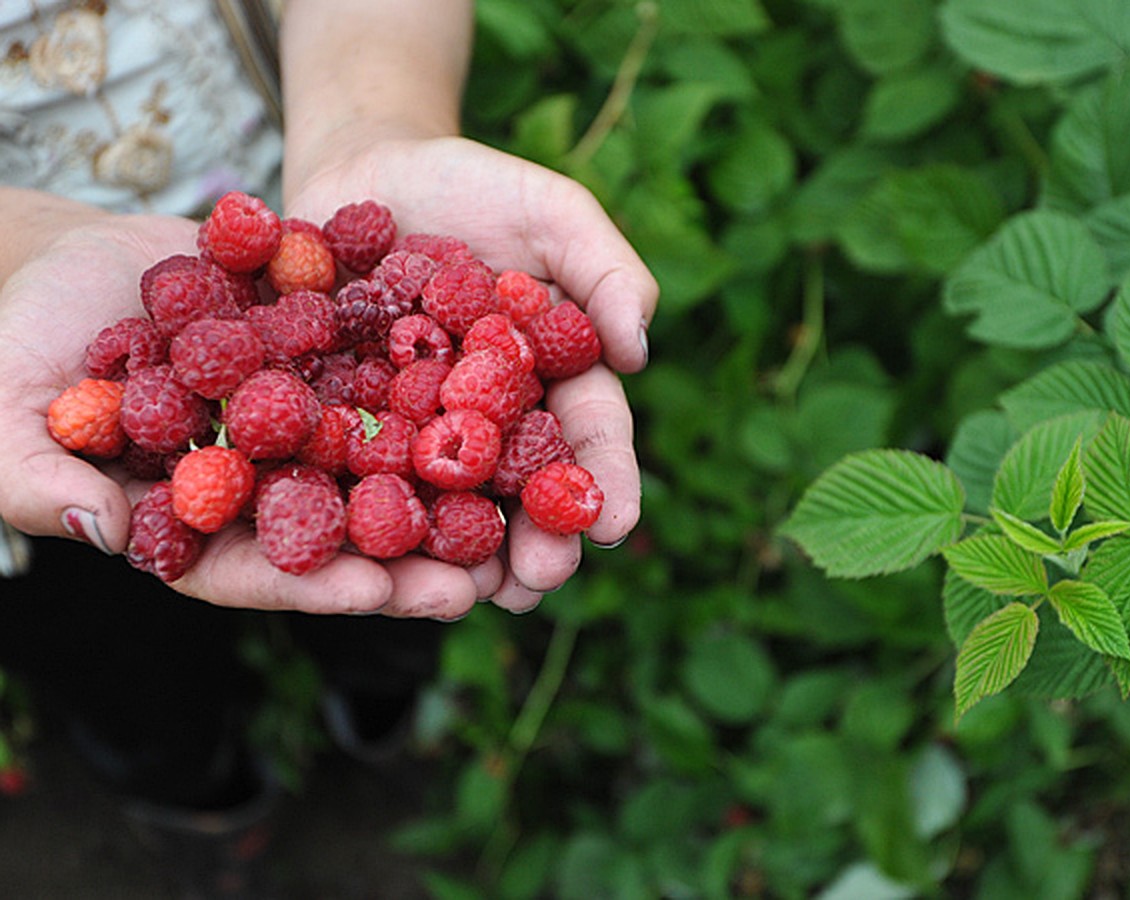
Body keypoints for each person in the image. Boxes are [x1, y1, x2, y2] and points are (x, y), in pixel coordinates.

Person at [0, 0, 657, 893]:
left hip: (288, 171)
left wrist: (380, 118)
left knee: (396, 610)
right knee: (124, 662)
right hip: (34, 325)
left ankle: (375, 714)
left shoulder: (338, 328)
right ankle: (205, 800)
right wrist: (26, 245)